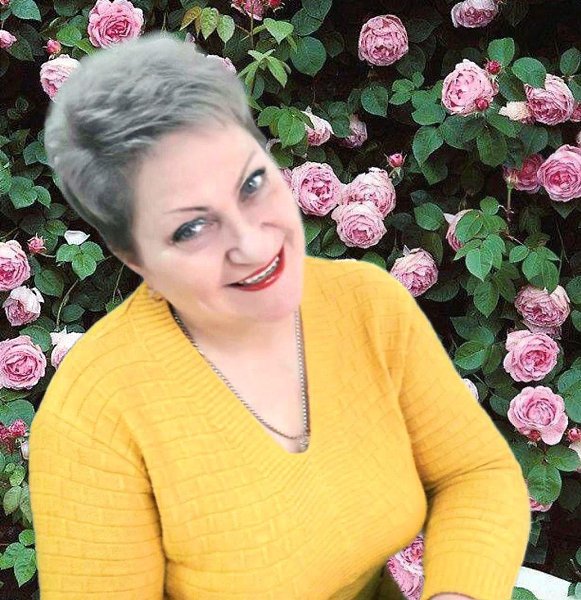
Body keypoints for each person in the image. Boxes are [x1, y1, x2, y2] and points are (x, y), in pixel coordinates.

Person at [28, 31, 531, 600]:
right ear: (134, 258)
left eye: (251, 183)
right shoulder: (93, 417)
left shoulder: (367, 304)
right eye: (191, 228)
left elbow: (474, 475)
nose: (251, 243)